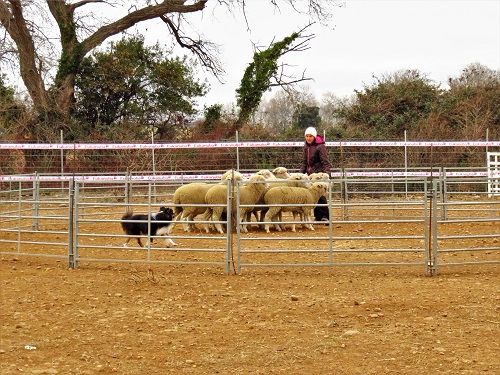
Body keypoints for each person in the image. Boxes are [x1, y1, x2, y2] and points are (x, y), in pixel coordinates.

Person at [299, 127, 331, 222]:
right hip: (310, 175)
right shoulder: (306, 146)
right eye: (307, 136)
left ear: (314, 136)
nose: (308, 138)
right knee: (313, 196)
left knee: (321, 195)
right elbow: (305, 162)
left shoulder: (320, 146)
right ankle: (318, 216)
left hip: (319, 175)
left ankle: (325, 216)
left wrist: (326, 174)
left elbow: (325, 161)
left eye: (310, 136)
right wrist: (300, 174)